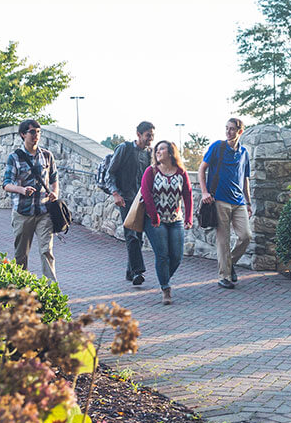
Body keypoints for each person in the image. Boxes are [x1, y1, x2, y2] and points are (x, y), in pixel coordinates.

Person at [1, 119, 59, 281]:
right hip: (23, 212)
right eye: (32, 132)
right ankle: (22, 287)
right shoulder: (14, 157)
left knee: (46, 251)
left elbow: (54, 178)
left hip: (44, 212)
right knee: (21, 255)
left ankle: (51, 288)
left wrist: (55, 192)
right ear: (23, 134)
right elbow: (6, 184)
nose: (36, 135)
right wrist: (21, 190)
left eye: (38, 132)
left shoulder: (47, 155)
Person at [200, 117, 252, 289]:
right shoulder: (218, 147)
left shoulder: (244, 153)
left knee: (246, 236)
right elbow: (202, 169)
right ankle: (224, 276)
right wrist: (205, 192)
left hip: (239, 202)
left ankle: (229, 266)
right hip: (219, 200)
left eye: (232, 129)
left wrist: (249, 202)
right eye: (226, 128)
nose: (228, 132)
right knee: (223, 240)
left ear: (240, 132)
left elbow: (245, 180)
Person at [139, 140, 194, 305]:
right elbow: (146, 194)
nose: (158, 151)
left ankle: (163, 276)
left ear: (171, 153)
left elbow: (188, 194)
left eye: (161, 149)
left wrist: (188, 218)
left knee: (176, 256)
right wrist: (154, 216)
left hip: (175, 219)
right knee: (162, 255)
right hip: (155, 221)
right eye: (156, 149)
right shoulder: (151, 171)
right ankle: (165, 288)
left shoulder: (181, 172)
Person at [108, 121, 155, 285]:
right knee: (131, 236)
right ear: (139, 134)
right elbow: (110, 173)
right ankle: (137, 272)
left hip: (141, 201)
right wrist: (116, 194)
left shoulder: (150, 153)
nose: (151, 139)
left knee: (139, 238)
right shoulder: (125, 148)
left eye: (152, 135)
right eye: (148, 135)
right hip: (125, 200)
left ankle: (130, 272)